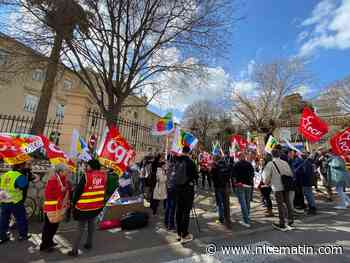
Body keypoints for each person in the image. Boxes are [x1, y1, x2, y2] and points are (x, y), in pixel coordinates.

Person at [68, 159, 107, 257]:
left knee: (80, 228)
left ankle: (74, 250)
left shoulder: (86, 176)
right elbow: (103, 190)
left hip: (84, 207)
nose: (86, 167)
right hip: (96, 206)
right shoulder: (103, 176)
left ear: (92, 166)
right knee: (91, 225)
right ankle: (89, 244)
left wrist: (74, 203)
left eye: (88, 165)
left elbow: (78, 192)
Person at [40, 164, 71, 251]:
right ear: (60, 172)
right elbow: (48, 194)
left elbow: (64, 190)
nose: (68, 173)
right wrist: (62, 190)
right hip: (51, 206)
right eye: (66, 171)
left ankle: (49, 241)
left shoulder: (61, 179)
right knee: (48, 226)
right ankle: (44, 245)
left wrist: (66, 189)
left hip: (57, 206)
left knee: (54, 225)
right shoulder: (53, 180)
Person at [263, 148, 294, 231]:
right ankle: (290, 219)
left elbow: (266, 177)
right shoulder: (285, 162)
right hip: (286, 186)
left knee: (280, 204)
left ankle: (282, 222)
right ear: (279, 154)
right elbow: (290, 173)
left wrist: (266, 183)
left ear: (272, 155)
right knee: (287, 203)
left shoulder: (270, 164)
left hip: (277, 187)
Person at [0, 162, 30, 244]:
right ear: (21, 166)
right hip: (15, 202)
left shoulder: (5, 174)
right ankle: (23, 235)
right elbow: (24, 186)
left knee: (3, 219)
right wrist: (27, 175)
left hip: (4, 201)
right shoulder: (19, 176)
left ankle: (2, 237)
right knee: (21, 218)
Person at [175, 146, 199, 243]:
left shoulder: (176, 160)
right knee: (186, 211)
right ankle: (184, 234)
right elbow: (196, 176)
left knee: (179, 210)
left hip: (177, 189)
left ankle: (178, 233)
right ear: (189, 152)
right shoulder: (190, 162)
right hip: (187, 189)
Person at [232, 152, 254, 228]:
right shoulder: (249, 164)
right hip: (248, 185)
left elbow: (233, 176)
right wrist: (250, 182)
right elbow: (252, 174)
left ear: (238, 157)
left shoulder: (236, 164)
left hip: (240, 185)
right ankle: (247, 216)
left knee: (243, 203)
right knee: (247, 202)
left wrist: (235, 185)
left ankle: (246, 220)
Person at [211, 155, 232, 228]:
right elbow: (229, 175)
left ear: (215, 159)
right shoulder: (226, 165)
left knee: (220, 204)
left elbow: (212, 177)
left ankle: (221, 219)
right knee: (226, 204)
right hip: (225, 186)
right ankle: (228, 221)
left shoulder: (214, 166)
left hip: (218, 187)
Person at [164, 155, 177, 231]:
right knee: (172, 207)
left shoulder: (168, 166)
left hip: (169, 187)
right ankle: (170, 224)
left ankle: (166, 222)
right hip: (173, 188)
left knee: (168, 206)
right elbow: (174, 178)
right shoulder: (174, 167)